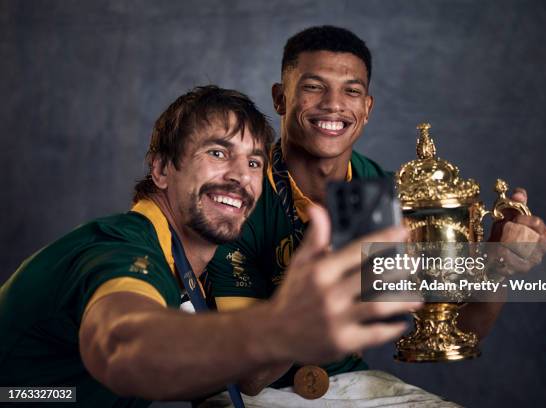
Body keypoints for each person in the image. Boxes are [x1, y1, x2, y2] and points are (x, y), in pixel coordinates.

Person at [0, 85, 423, 407]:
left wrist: (293, 339)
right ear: (163, 168)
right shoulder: (120, 250)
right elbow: (123, 347)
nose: (241, 176)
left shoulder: (195, 269)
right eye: (218, 153)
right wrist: (279, 326)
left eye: (254, 162)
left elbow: (231, 377)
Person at [206, 26, 546, 406]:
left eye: (351, 91)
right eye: (313, 87)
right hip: (248, 392)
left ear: (367, 109)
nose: (334, 104)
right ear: (280, 98)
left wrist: (496, 265)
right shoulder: (238, 195)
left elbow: (461, 329)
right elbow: (250, 375)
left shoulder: (385, 194)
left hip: (350, 383)